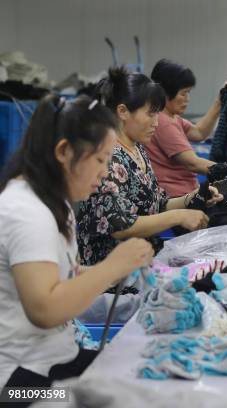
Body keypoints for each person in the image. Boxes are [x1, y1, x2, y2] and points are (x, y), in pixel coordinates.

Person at [0, 94, 154, 390]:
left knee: (145, 373)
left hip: (51, 360)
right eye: (100, 160)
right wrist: (110, 267)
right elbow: (45, 309)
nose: (105, 172)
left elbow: (58, 276)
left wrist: (114, 270)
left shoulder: (52, 203)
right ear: (63, 151)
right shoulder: (25, 212)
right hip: (16, 387)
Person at [77, 67, 221, 267]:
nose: (156, 123)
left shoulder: (137, 150)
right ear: (122, 111)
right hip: (110, 274)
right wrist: (179, 216)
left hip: (141, 263)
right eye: (151, 114)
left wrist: (194, 197)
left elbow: (158, 204)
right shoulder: (107, 157)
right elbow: (121, 225)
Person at [146, 59, 218, 197]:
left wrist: (218, 104)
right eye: (183, 93)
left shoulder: (171, 117)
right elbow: (193, 164)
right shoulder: (164, 121)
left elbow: (198, 133)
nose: (187, 99)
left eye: (188, 93)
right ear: (166, 93)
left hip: (182, 193)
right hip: (175, 196)